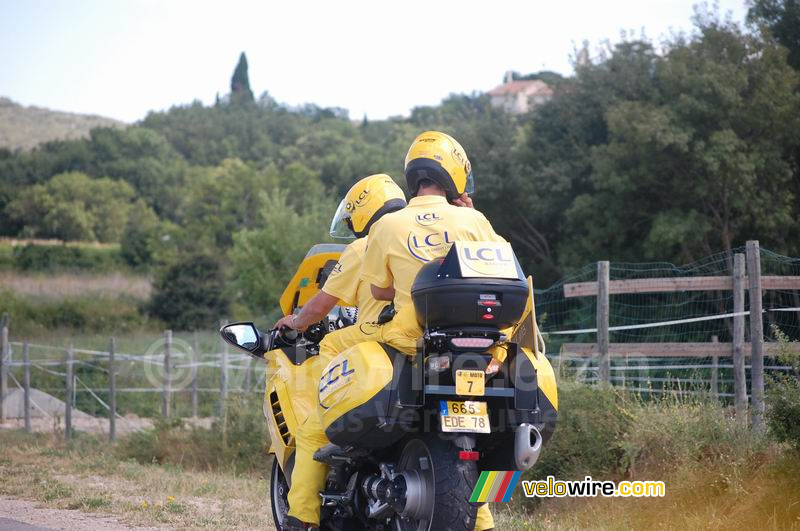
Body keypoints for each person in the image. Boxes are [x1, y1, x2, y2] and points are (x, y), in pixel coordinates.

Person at [358, 130, 506, 530]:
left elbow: (378, 289)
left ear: (414, 175)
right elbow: (499, 271)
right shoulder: (474, 220)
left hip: (412, 342)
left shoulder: (387, 225)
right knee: (493, 432)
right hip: (480, 346)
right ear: (454, 175)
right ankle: (486, 516)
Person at [274, 174, 407, 531]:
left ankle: (301, 517)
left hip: (380, 350)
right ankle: (482, 521)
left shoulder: (365, 247)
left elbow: (321, 305)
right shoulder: (428, 238)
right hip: (433, 349)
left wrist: (296, 322)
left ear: (364, 211)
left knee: (314, 428)